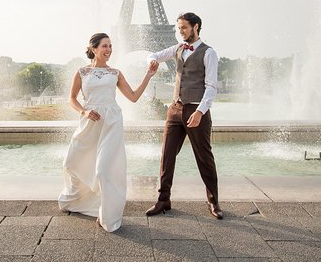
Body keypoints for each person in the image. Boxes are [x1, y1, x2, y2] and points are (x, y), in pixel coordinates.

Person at [58, 33, 158, 232]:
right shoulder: (82, 72)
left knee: (104, 170)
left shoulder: (116, 73)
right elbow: (72, 98)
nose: (109, 50)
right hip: (88, 123)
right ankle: (83, 202)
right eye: (105, 46)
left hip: (111, 122)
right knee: (71, 163)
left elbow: (133, 97)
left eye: (111, 46)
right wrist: (84, 111)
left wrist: (148, 75)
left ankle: (108, 213)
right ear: (93, 49)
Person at [145, 12, 223, 219]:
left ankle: (213, 201)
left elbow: (211, 87)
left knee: (204, 157)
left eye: (184, 28)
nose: (180, 32)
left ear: (196, 27)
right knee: (167, 156)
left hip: (197, 110)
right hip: (175, 109)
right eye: (178, 28)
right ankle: (163, 200)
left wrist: (200, 111)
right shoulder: (178, 48)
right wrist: (152, 61)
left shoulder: (209, 53)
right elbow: (155, 55)